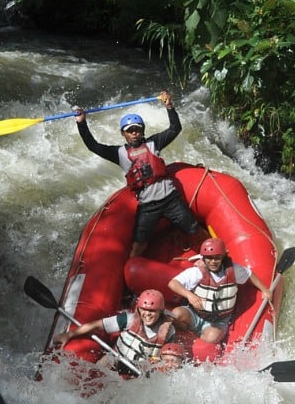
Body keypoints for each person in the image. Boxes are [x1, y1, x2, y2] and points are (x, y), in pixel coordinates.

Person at [72, 91, 201, 258]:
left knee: (195, 230)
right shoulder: (119, 153)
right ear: (123, 134)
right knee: (138, 246)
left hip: (170, 199)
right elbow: (93, 146)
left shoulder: (154, 143)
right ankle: (133, 275)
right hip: (148, 207)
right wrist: (82, 123)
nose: (134, 133)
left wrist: (169, 106)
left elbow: (175, 128)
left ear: (142, 131)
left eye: (137, 130)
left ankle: (214, 256)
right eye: (130, 130)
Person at [167, 237, 272, 362]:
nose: (213, 262)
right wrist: (190, 295)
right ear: (203, 258)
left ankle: (199, 336)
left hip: (219, 320)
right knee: (176, 314)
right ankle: (187, 331)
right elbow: (173, 283)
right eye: (209, 258)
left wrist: (264, 290)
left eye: (217, 258)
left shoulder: (233, 270)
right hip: (195, 314)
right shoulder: (197, 272)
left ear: (223, 257)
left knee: (211, 338)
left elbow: (249, 274)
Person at [52, 289, 176, 375]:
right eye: (144, 309)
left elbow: (165, 357)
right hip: (117, 359)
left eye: (152, 311)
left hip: (141, 368)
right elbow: (96, 325)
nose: (147, 314)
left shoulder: (168, 331)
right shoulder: (129, 319)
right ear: (138, 309)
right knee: (108, 361)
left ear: (160, 311)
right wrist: (69, 334)